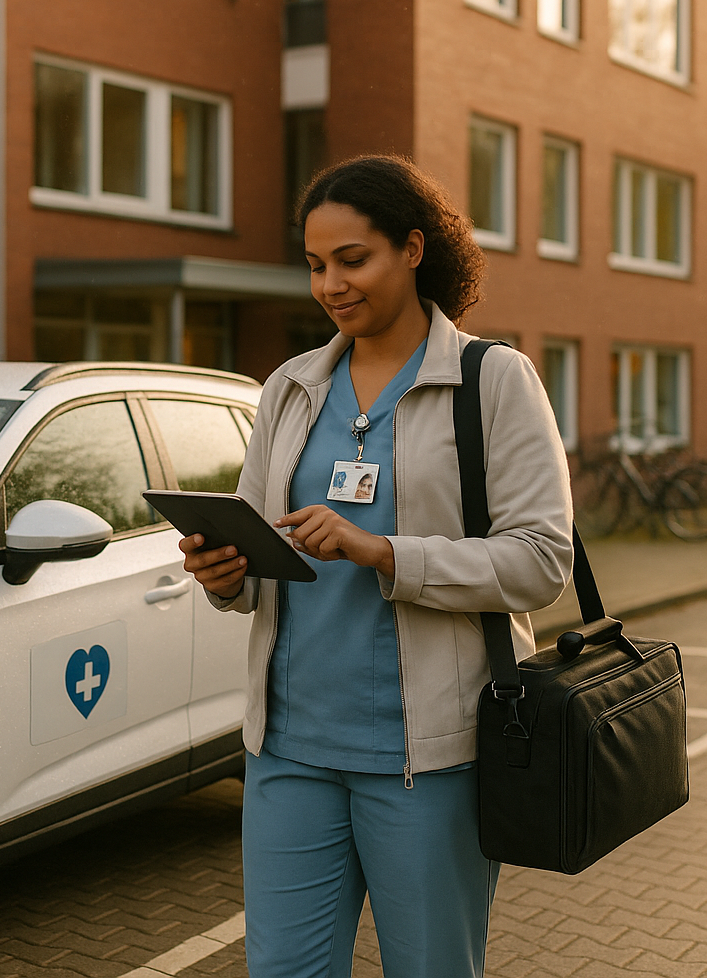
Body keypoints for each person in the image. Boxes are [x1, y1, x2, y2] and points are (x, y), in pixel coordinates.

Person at [179, 155, 573, 978]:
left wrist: (384, 552)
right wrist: (228, 576)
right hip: (287, 750)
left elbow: (542, 562)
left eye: (353, 260)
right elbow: (262, 560)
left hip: (426, 760)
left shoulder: (492, 381)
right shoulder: (290, 387)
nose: (330, 285)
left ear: (415, 248)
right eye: (316, 265)